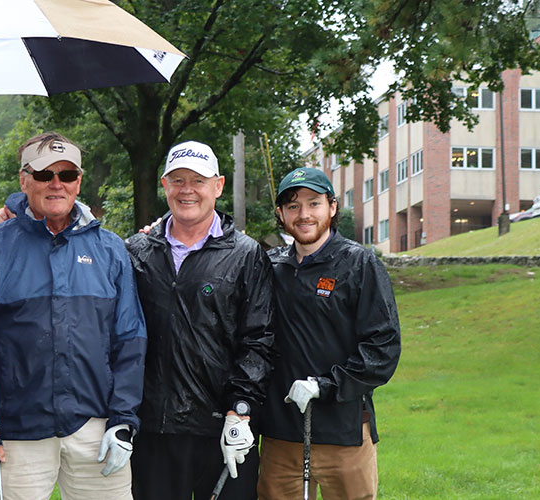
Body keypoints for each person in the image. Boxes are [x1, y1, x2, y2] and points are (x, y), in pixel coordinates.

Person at [0, 132, 147, 500]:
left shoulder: (110, 249)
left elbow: (131, 339)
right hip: (15, 434)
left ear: (79, 181)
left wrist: (124, 419)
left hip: (97, 429)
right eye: (44, 175)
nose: (56, 184)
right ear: (24, 179)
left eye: (68, 175)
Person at [125, 140, 276, 500]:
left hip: (222, 426)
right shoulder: (136, 251)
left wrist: (241, 409)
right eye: (177, 180)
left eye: (198, 180)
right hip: (154, 429)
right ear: (164, 186)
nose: (187, 190)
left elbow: (259, 338)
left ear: (218, 185)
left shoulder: (246, 254)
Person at [257, 167, 401, 500]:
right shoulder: (269, 266)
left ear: (332, 207)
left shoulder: (360, 264)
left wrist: (325, 386)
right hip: (281, 435)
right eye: (293, 206)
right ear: (280, 213)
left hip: (344, 432)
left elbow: (382, 349)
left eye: (313, 203)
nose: (304, 214)